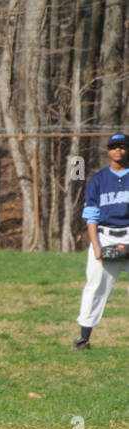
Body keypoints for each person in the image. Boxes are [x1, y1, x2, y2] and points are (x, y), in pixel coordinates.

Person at [75, 132, 129, 350]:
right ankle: (83, 338)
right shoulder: (98, 180)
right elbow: (91, 216)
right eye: (114, 146)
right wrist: (96, 246)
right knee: (95, 288)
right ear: (108, 151)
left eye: (123, 146)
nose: (118, 150)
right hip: (104, 236)